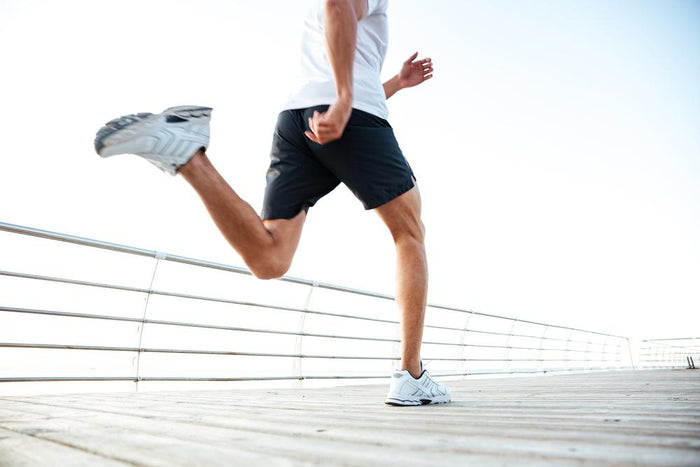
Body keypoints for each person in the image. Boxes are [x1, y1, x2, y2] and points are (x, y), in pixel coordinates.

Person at [94, 0, 451, 406]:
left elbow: (339, 46)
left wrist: (394, 85)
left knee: (270, 257)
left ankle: (188, 155)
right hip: (349, 115)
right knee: (409, 232)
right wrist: (346, 99)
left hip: (296, 118)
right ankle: (411, 374)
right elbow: (338, 6)